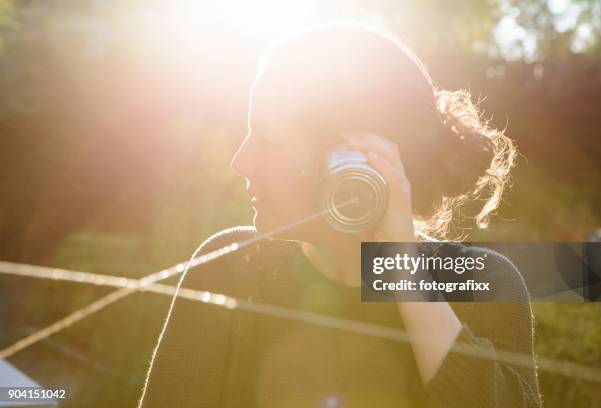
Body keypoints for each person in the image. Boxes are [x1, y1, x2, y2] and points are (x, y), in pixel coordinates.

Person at [138, 23, 541, 407]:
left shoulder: (484, 282)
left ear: (352, 159)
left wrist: (406, 274)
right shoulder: (229, 267)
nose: (240, 162)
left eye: (267, 139)